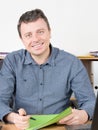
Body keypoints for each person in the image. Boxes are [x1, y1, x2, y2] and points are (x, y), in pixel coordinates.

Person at [0, 8, 96, 130]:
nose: (35, 39)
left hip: (60, 127)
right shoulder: (11, 61)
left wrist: (85, 114)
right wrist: (12, 117)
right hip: (22, 127)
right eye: (28, 35)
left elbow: (90, 101)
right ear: (22, 39)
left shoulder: (72, 62)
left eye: (40, 32)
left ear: (50, 32)